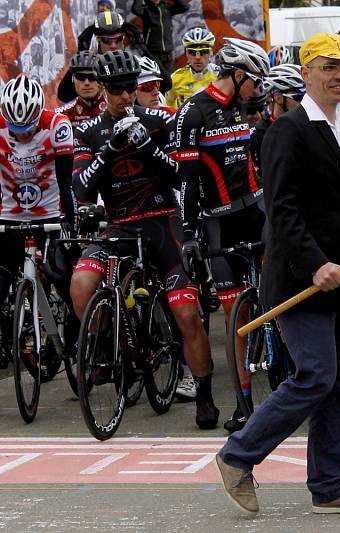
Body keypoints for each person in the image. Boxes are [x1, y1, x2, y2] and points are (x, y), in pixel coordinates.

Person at [215, 32, 340, 516]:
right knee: (314, 376)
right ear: (306, 74)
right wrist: (315, 265)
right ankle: (236, 456)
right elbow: (283, 210)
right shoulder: (287, 130)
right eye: (329, 67)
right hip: (299, 281)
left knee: (339, 382)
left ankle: (330, 486)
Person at [70, 50, 215, 428]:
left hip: (162, 220)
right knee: (81, 286)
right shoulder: (88, 132)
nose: (124, 96)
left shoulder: (159, 120)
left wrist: (148, 148)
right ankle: (110, 351)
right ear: (102, 90)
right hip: (118, 225)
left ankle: (204, 395)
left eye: (129, 88)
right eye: (115, 89)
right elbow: (82, 189)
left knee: (186, 313)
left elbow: (181, 176)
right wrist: (111, 148)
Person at [173, 38, 270, 430]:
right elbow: (186, 181)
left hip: (258, 211)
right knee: (236, 315)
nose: (260, 88)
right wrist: (188, 233)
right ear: (238, 74)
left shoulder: (254, 108)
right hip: (218, 220)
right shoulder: (193, 113)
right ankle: (243, 402)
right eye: (256, 80)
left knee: (283, 297)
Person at [0, 76, 77, 372]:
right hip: (9, 213)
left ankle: (74, 332)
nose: (21, 133)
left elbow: (66, 180)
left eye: (27, 127)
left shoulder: (57, 125)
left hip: (50, 214)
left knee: (62, 277)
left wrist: (69, 221)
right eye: (15, 128)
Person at [166, 27, 219, 109]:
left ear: (211, 52)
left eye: (203, 52)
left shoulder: (220, 76)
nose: (197, 57)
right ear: (186, 53)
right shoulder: (175, 78)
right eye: (192, 52)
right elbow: (168, 105)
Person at [131, 0, 190, 73]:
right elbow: (135, 9)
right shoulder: (146, 9)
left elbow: (185, 6)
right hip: (153, 53)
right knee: (156, 78)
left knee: (169, 80)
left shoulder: (167, 8)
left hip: (168, 53)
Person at [56, 51, 106, 126]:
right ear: (73, 80)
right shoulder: (62, 115)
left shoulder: (115, 108)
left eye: (92, 77)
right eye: (80, 77)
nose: (87, 82)